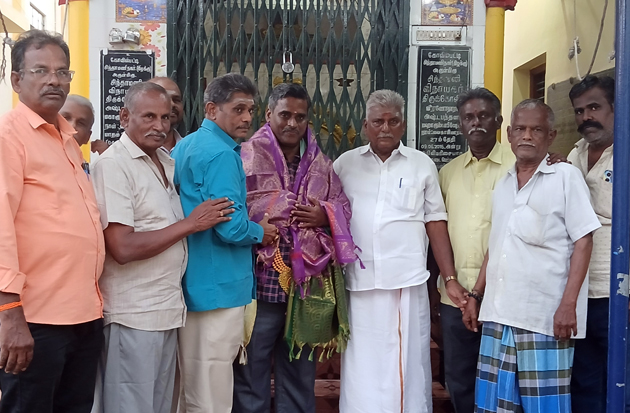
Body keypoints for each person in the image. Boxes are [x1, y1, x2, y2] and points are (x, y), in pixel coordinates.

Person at [90, 81, 235, 413]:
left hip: (166, 311)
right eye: (149, 117)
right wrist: (191, 224)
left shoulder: (163, 161)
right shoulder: (114, 165)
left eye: (166, 117)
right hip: (134, 315)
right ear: (124, 117)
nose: (160, 126)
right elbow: (122, 247)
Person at [463, 99, 601, 413]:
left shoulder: (565, 177)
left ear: (550, 136)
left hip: (544, 318)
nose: (527, 135)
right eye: (521, 129)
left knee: (545, 406)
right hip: (498, 315)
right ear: (509, 134)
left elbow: (584, 241)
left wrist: (568, 305)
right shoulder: (503, 184)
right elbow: (497, 245)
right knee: (494, 407)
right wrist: (476, 295)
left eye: (536, 130)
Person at [334, 89, 465, 413]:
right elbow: (329, 215)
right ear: (365, 125)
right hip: (359, 283)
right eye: (378, 121)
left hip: (406, 282)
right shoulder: (344, 165)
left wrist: (449, 278)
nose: (385, 128)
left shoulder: (421, 165)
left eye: (393, 121)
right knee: (362, 365)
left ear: (403, 125)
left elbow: (435, 221)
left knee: (407, 363)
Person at [234, 83, 357, 413]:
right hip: (260, 284)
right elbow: (236, 208)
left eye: (300, 117)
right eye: (285, 114)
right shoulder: (245, 157)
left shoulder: (321, 164)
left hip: (307, 287)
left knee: (300, 371)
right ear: (269, 114)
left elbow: (343, 208)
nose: (292, 123)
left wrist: (324, 216)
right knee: (251, 369)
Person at [0, 30, 104, 413]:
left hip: (84, 314)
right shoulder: (8, 137)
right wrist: (9, 313)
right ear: (16, 80)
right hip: (34, 318)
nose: (54, 80)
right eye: (41, 70)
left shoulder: (67, 140)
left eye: (62, 72)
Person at [171, 73, 278, 413]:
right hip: (220, 287)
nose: (247, 118)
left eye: (251, 110)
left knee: (188, 385)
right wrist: (261, 232)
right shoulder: (221, 155)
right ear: (211, 109)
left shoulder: (185, 145)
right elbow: (230, 228)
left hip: (192, 281)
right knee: (212, 389)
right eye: (238, 109)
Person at [434, 88, 515, 413]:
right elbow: (437, 234)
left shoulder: (518, 167)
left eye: (483, 115)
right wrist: (445, 284)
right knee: (460, 378)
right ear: (460, 124)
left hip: (502, 298)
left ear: (498, 120)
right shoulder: (448, 173)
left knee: (504, 380)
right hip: (454, 297)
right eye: (469, 117)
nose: (476, 122)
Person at [565, 75, 615, 413]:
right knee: (584, 380)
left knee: (621, 380)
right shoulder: (576, 153)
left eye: (594, 107)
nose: (586, 117)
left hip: (618, 293)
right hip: (581, 291)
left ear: (615, 108)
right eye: (580, 111)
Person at [148, 76, 184, 154]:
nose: (172, 104)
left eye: (176, 100)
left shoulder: (191, 148)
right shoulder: (132, 150)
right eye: (164, 99)